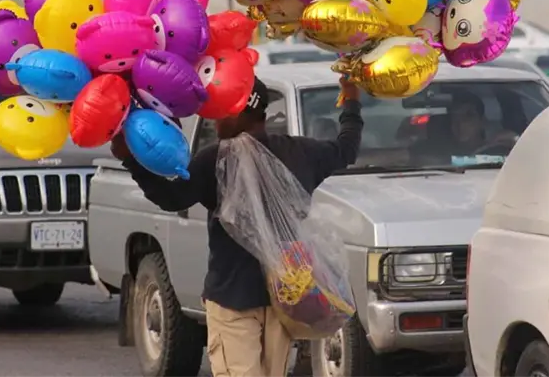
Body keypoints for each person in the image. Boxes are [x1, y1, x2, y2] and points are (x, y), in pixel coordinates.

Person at [110, 77, 363, 377]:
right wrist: (350, 100)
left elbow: (171, 197)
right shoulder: (302, 153)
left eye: (223, 110)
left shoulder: (216, 160)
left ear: (244, 111)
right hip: (285, 300)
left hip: (234, 300)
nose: (214, 119)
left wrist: (132, 161)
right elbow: (346, 148)